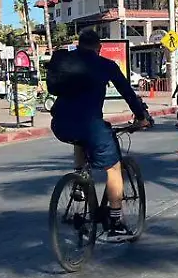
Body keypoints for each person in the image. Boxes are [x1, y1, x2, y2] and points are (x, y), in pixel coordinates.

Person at [47, 30, 152, 241]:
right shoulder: (106, 65)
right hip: (90, 125)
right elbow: (128, 93)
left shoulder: (65, 61)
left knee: (79, 139)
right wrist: (141, 117)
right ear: (99, 47)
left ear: (78, 45)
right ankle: (115, 221)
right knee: (113, 168)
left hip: (60, 123)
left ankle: (79, 180)